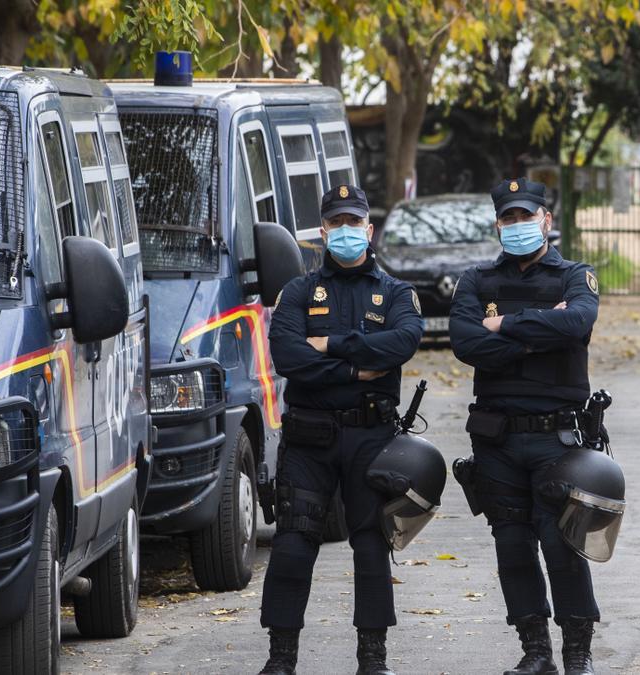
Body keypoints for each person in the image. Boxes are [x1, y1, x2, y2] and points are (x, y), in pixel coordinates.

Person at [258, 184, 423, 675]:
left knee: (371, 544)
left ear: (369, 231)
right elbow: (288, 356)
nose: (347, 232)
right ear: (323, 232)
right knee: (292, 542)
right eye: (338, 224)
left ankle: (373, 658)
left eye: (356, 223)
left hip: (371, 437)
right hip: (310, 438)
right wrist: (353, 369)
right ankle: (281, 658)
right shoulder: (298, 292)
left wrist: (327, 344)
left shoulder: (395, 292)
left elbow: (402, 342)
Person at [449, 177, 603, 675]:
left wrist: (502, 325)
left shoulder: (575, 275)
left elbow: (576, 323)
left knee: (562, 544)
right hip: (497, 437)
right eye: (508, 218)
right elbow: (467, 344)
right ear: (497, 223)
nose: (517, 225)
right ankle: (535, 651)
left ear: (546, 220)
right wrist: (540, 332)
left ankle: (578, 652)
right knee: (512, 546)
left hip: (557, 436)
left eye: (526, 216)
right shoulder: (476, 281)